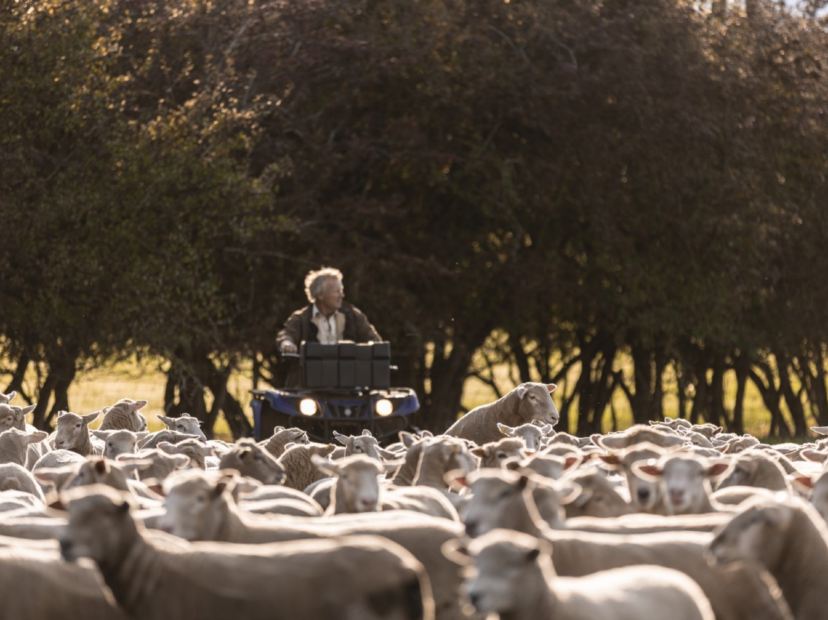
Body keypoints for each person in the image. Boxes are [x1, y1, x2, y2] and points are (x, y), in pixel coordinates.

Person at [276, 268, 381, 383]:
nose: (342, 295)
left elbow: (374, 340)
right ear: (320, 295)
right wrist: (287, 344)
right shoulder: (301, 318)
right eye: (337, 291)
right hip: (308, 386)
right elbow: (286, 335)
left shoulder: (354, 315)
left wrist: (373, 349)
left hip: (348, 385)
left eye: (341, 291)